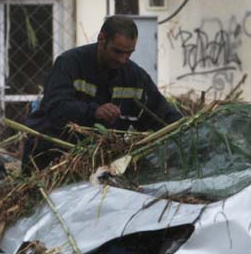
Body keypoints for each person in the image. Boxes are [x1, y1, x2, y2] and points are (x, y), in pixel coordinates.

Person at [22, 16, 182, 169]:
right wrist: (94, 111)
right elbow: (56, 107)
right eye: (117, 52)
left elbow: (162, 113)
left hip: (96, 164)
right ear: (101, 39)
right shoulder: (69, 63)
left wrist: (188, 127)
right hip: (51, 157)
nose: (123, 59)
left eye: (129, 53)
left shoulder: (135, 77)